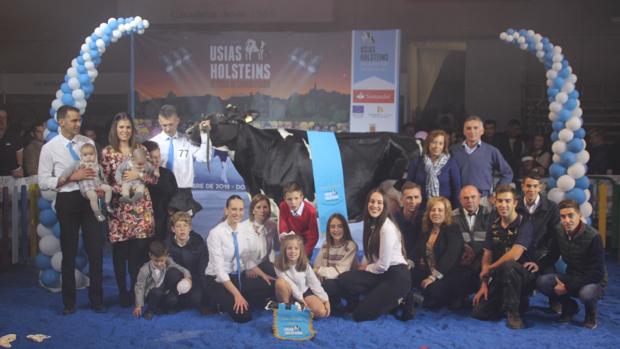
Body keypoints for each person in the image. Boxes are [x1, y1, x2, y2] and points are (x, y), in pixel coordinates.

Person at [37, 105, 104, 314]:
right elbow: (43, 181)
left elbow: (95, 171)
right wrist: (68, 178)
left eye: (79, 120)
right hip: (67, 199)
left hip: (90, 199)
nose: (78, 124)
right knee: (69, 252)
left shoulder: (88, 142)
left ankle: (97, 299)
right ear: (61, 122)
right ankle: (69, 303)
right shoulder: (49, 148)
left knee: (96, 251)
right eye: (74, 121)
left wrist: (100, 187)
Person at [101, 112, 156, 308]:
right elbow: (104, 181)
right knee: (119, 256)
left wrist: (139, 174)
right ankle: (122, 292)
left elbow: (153, 178)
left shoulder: (141, 149)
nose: (125, 131)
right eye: (121, 127)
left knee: (138, 256)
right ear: (115, 130)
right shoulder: (107, 152)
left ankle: (136, 291)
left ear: (132, 130)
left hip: (141, 211)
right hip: (119, 211)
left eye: (128, 127)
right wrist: (124, 188)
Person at [338, 189, 411, 322]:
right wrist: (363, 264)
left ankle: (404, 298)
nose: (375, 205)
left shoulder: (387, 228)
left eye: (379, 203)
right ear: (367, 204)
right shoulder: (371, 223)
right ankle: (379, 295)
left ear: (384, 207)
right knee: (344, 279)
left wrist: (365, 268)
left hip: (396, 275)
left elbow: (383, 265)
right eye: (372, 201)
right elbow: (370, 252)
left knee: (359, 316)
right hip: (379, 273)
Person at [472, 184, 535, 329]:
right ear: (495, 202)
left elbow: (515, 254)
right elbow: (487, 253)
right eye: (500, 201)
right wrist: (484, 283)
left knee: (509, 265)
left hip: (524, 276)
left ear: (515, 203)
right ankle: (511, 302)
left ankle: (514, 313)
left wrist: (489, 269)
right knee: (479, 312)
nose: (503, 204)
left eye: (507, 201)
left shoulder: (525, 224)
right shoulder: (493, 225)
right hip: (500, 275)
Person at [536, 200, 607, 329]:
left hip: (592, 280)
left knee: (587, 293)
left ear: (579, 215)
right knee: (543, 281)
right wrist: (538, 265)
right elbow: (552, 255)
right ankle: (569, 307)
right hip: (572, 275)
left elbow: (597, 273)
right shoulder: (559, 231)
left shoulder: (594, 237)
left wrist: (567, 286)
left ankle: (590, 313)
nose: (566, 220)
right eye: (563, 216)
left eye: (571, 215)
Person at [205, 195, 274, 323]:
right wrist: (237, 295)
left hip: (237, 276)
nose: (238, 213)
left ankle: (242, 297)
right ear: (226, 211)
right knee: (244, 316)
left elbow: (246, 258)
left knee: (271, 284)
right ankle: (218, 301)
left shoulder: (242, 229)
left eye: (241, 209)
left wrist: (263, 275)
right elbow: (220, 272)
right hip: (218, 280)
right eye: (234, 209)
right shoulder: (216, 233)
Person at [150, 104, 209, 215]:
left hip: (183, 192)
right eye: (164, 125)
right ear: (159, 121)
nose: (167, 128)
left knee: (182, 230)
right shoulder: (153, 143)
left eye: (171, 124)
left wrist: (205, 136)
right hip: (159, 191)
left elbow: (204, 157)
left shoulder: (187, 141)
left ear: (178, 120)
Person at [410, 196, 463, 309]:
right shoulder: (427, 229)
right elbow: (417, 250)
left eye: (440, 210)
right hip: (429, 270)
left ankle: (432, 299)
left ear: (446, 213)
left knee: (433, 289)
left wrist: (433, 277)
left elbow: (450, 256)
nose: (436, 213)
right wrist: (408, 262)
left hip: (447, 274)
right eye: (433, 210)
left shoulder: (453, 228)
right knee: (407, 274)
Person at [450, 116, 513, 206]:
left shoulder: (491, 151)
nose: (472, 131)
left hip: (484, 200)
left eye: (476, 128)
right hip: (460, 199)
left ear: (482, 131)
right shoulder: (453, 150)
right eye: (468, 128)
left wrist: (496, 194)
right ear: (464, 131)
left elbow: (508, 173)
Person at [451, 185, 494, 307]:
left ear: (479, 198)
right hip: (462, 262)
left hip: (485, 261)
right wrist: (463, 248)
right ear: (460, 200)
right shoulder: (452, 217)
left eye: (473, 197)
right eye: (465, 198)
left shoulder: (491, 214)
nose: (469, 200)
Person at [133, 240, 192, 320]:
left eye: (162, 260)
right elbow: (139, 287)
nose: (159, 264)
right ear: (150, 255)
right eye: (156, 261)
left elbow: (181, 268)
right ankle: (150, 311)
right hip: (153, 293)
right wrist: (138, 305)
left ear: (167, 256)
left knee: (174, 274)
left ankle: (162, 307)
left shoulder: (168, 260)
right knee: (157, 292)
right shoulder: (144, 270)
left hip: (164, 290)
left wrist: (188, 278)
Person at [275, 234, 330, 318]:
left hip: (304, 291)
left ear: (300, 250)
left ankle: (297, 310)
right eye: (289, 248)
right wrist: (301, 300)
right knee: (280, 283)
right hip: (289, 293)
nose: (293, 251)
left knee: (321, 312)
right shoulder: (278, 264)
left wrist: (325, 299)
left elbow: (314, 283)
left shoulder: (305, 265)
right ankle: (286, 308)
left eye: (296, 248)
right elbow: (291, 284)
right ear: (284, 250)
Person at [164, 211, 210, 314]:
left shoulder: (198, 243)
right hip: (175, 280)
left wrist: (206, 296)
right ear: (173, 229)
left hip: (194, 279)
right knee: (170, 301)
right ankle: (176, 297)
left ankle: (185, 299)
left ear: (190, 228)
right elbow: (164, 269)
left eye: (185, 226)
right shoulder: (167, 244)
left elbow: (203, 269)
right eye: (178, 226)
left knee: (196, 299)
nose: (182, 229)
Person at [313, 213, 358, 309]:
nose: (336, 230)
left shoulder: (350, 246)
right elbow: (317, 264)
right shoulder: (325, 244)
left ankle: (352, 300)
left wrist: (318, 271)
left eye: (340, 226)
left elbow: (339, 272)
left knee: (329, 284)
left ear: (345, 228)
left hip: (345, 283)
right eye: (332, 227)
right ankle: (333, 301)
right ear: (328, 229)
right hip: (328, 279)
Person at [407, 129, 461, 208]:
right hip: (420, 208)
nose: (437, 146)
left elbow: (457, 189)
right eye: (434, 142)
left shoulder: (451, 163)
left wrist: (456, 210)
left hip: (444, 208)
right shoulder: (417, 162)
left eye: (440, 143)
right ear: (428, 144)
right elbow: (409, 186)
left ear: (444, 146)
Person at [58, 143, 112, 222]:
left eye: (91, 154)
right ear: (81, 156)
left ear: (95, 155)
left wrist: (105, 184)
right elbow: (69, 170)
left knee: (109, 188)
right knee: (93, 196)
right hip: (87, 188)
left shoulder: (97, 166)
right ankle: (97, 213)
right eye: (85, 155)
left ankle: (107, 204)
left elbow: (102, 177)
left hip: (97, 185)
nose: (89, 156)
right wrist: (63, 177)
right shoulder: (79, 164)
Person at [142, 140, 178, 241]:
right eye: (153, 157)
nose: (157, 160)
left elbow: (175, 194)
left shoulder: (167, 174)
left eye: (158, 156)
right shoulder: (139, 176)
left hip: (163, 223)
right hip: (143, 223)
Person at [238, 194, 279, 278]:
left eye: (265, 207)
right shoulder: (241, 228)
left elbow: (277, 247)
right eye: (258, 207)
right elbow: (237, 254)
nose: (262, 210)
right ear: (253, 210)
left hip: (264, 265)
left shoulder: (272, 225)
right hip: (246, 269)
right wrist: (247, 268)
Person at [278, 182, 319, 258]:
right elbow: (283, 224)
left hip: (305, 244)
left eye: (296, 198)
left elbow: (313, 236)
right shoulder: (283, 206)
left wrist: (304, 253)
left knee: (302, 266)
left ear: (301, 197)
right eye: (289, 199)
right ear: (285, 199)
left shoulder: (310, 210)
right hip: (290, 241)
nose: (293, 202)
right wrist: (284, 235)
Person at [393, 181, 423, 258]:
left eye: (416, 197)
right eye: (409, 198)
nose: (413, 202)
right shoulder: (393, 219)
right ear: (401, 200)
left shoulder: (426, 219)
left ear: (421, 199)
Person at [0, 107, 24, 177]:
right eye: (0, 117)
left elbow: (19, 164)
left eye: (4, 118)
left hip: (10, 180)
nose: (2, 120)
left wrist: (19, 170)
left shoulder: (14, 137)